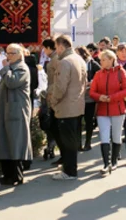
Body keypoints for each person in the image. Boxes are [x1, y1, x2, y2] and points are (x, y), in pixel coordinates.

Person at [49, 35, 88, 180]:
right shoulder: (80, 59)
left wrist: (53, 101)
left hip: (66, 107)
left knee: (67, 141)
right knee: (72, 139)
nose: (56, 51)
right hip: (77, 104)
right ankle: (69, 167)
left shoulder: (64, 62)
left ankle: (70, 171)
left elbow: (60, 87)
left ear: (60, 46)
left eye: (56, 47)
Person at [0, 43, 32, 186]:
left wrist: (5, 68)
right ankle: (7, 175)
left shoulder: (22, 68)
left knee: (15, 143)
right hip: (6, 109)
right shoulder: (12, 67)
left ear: (18, 54)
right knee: (5, 142)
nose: (7, 56)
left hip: (16, 110)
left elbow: (12, 82)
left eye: (10, 53)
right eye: (7, 53)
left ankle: (16, 176)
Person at [89, 50, 126, 174]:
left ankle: (114, 161)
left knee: (116, 135)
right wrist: (99, 97)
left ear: (111, 60)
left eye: (103, 60)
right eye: (101, 60)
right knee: (104, 137)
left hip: (117, 108)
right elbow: (92, 91)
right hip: (102, 109)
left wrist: (113, 97)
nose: (101, 62)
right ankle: (106, 164)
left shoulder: (121, 72)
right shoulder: (98, 74)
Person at [76, 46, 101, 151]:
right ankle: (78, 143)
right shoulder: (75, 63)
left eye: (77, 53)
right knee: (77, 121)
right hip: (78, 96)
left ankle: (88, 142)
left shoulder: (92, 63)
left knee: (88, 120)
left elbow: (100, 74)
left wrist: (93, 82)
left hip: (89, 96)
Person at [41, 39, 59, 162]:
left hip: (54, 97)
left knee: (53, 125)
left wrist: (49, 95)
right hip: (54, 95)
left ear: (48, 48)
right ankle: (51, 147)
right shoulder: (56, 59)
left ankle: (51, 146)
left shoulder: (54, 61)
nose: (43, 51)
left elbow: (53, 82)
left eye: (44, 48)